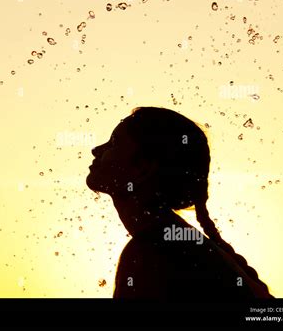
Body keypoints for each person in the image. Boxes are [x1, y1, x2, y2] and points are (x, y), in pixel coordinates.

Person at [86, 107, 273, 299]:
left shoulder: (151, 254)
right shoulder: (185, 245)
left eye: (114, 143)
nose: (96, 150)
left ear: (142, 168)